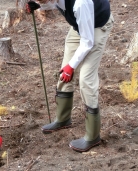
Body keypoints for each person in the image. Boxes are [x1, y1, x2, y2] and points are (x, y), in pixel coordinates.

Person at [27, 0, 114, 152]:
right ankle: (63, 118)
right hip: (80, 26)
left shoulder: (80, 3)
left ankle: (93, 136)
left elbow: (87, 42)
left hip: (97, 26)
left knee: (86, 79)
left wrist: (72, 67)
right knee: (64, 71)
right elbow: (56, 4)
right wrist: (39, 5)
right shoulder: (55, 1)